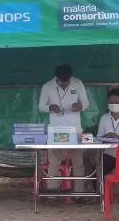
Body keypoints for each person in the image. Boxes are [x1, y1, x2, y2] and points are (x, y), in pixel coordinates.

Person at [38, 64, 89, 192]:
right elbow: (40, 107)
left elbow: (86, 103)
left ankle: (79, 194)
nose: (64, 84)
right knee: (54, 163)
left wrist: (80, 106)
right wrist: (50, 107)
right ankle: (52, 194)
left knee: (78, 163)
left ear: (71, 77)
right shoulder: (47, 86)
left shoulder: (78, 83)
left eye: (67, 81)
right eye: (61, 82)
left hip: (75, 129)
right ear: (56, 78)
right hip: (57, 130)